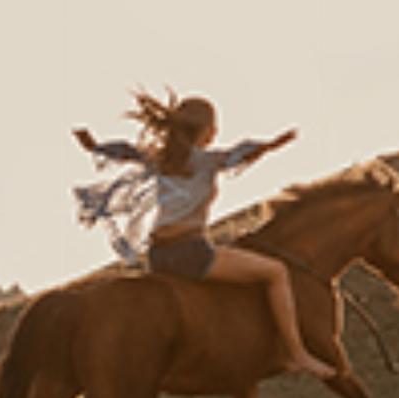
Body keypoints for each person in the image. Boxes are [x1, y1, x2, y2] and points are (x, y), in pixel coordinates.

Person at [73, 91, 336, 379]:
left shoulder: (160, 158)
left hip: (159, 256)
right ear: (208, 131)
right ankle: (297, 354)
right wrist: (270, 146)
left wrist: (94, 145)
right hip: (191, 254)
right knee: (276, 272)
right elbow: (239, 153)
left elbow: (125, 152)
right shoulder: (207, 161)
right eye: (214, 128)